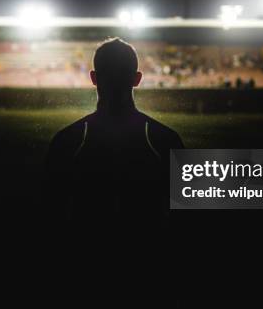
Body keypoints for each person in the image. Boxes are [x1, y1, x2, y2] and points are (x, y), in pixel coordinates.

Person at [44, 38, 184, 225]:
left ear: (93, 78)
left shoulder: (66, 140)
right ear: (137, 79)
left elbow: (50, 211)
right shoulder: (166, 140)